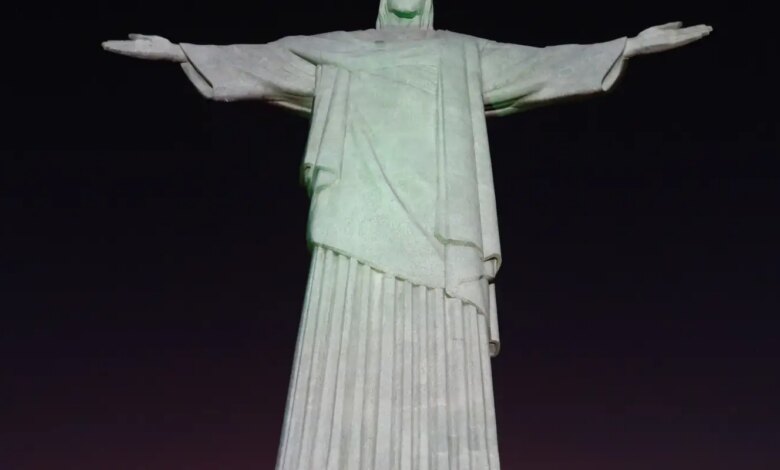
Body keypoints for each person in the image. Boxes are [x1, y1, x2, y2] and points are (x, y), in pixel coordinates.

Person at [103, 1, 712, 468]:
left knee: (442, 353)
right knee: (345, 341)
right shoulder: (339, 48)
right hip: (354, 221)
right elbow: (264, 62)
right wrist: (182, 52)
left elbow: (540, 65)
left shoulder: (459, 52)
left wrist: (627, 47)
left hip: (441, 228)